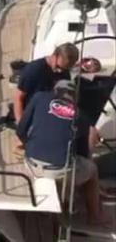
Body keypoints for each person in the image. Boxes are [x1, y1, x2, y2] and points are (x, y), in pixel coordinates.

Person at [17, 80, 110, 226]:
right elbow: (82, 152)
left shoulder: (39, 97)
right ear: (74, 97)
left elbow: (21, 129)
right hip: (58, 171)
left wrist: (28, 143)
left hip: (31, 166)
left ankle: (62, 202)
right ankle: (94, 216)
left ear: (55, 90)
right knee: (91, 170)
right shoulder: (80, 115)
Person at [13, 43, 78, 121]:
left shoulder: (64, 74)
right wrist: (20, 124)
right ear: (55, 54)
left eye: (64, 69)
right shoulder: (33, 70)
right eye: (58, 67)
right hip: (31, 116)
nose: (60, 71)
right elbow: (18, 98)